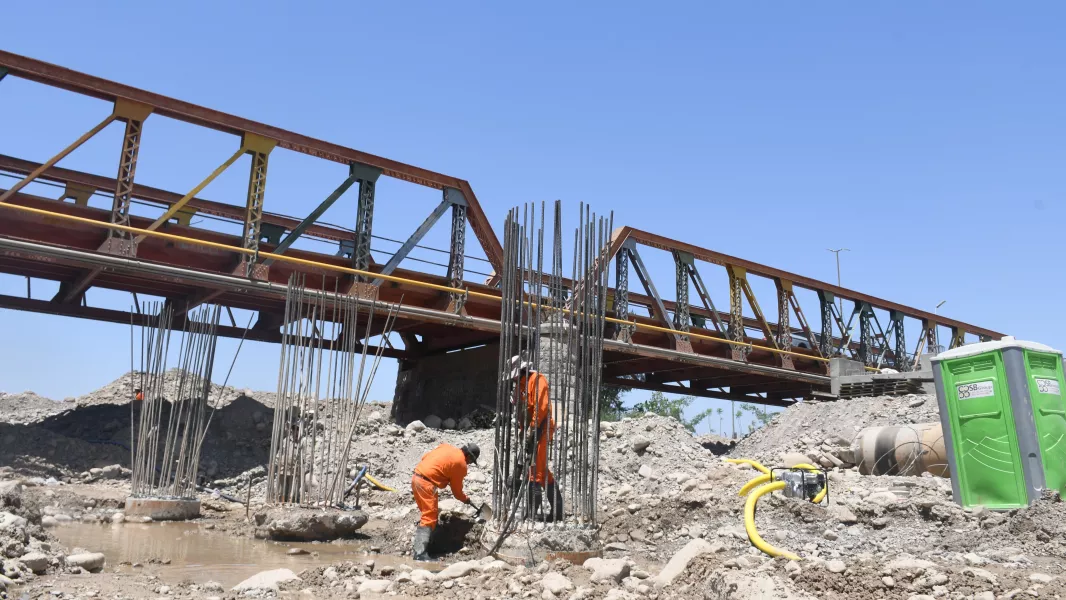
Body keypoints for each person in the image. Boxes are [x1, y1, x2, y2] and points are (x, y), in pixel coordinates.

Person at [509, 356, 563, 521]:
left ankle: (532, 513)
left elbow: (541, 408)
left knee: (535, 471)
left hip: (542, 429)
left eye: (515, 376)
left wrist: (532, 430)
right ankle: (558, 511)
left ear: (522, 371)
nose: (514, 379)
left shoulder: (538, 380)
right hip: (530, 431)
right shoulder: (521, 385)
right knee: (541, 471)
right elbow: (522, 412)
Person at [410, 442, 480, 561]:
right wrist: (466, 499)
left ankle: (427, 543)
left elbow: (425, 457)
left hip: (416, 478)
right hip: (427, 484)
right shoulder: (461, 463)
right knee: (429, 516)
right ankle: (420, 554)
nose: (469, 464)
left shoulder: (446, 447)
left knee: (427, 514)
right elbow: (457, 492)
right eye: (470, 462)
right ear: (468, 457)